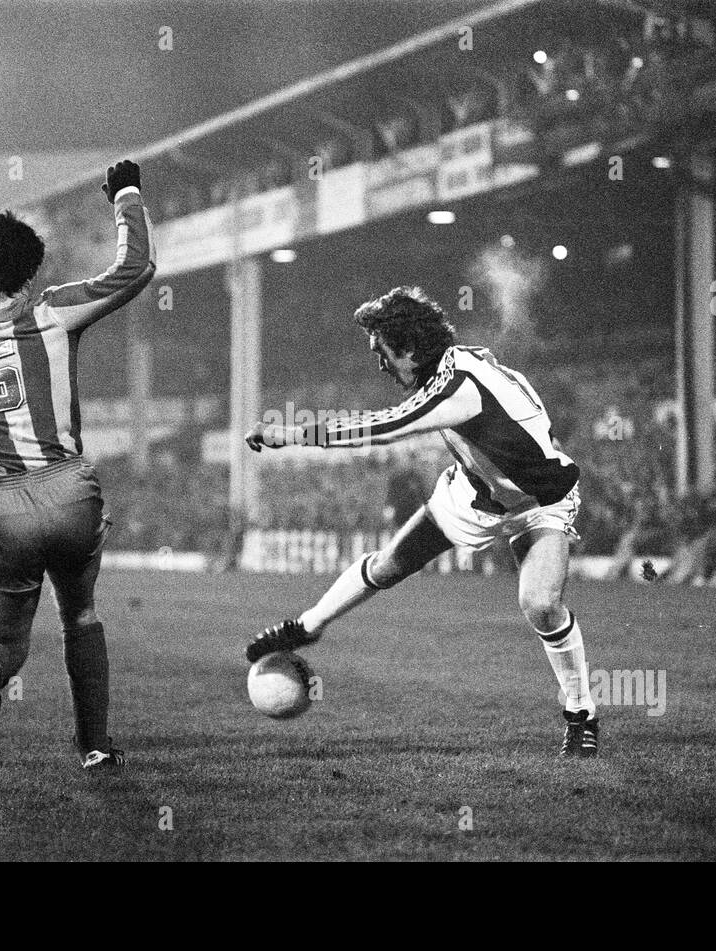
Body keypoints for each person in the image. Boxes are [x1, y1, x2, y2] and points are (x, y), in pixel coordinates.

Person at [243, 287, 599, 758]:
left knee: (540, 604)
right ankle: (308, 626)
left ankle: (581, 713)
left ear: (410, 349)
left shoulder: (456, 390)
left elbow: (380, 429)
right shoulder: (456, 364)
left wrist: (288, 433)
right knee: (390, 564)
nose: (380, 365)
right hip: (473, 493)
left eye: (382, 353)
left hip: (541, 502)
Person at [0, 160, 155, 771]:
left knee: (1, 640)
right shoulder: (54, 311)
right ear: (33, 266)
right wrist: (126, 195)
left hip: (0, 502)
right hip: (69, 493)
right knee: (80, 614)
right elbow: (135, 271)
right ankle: (95, 747)